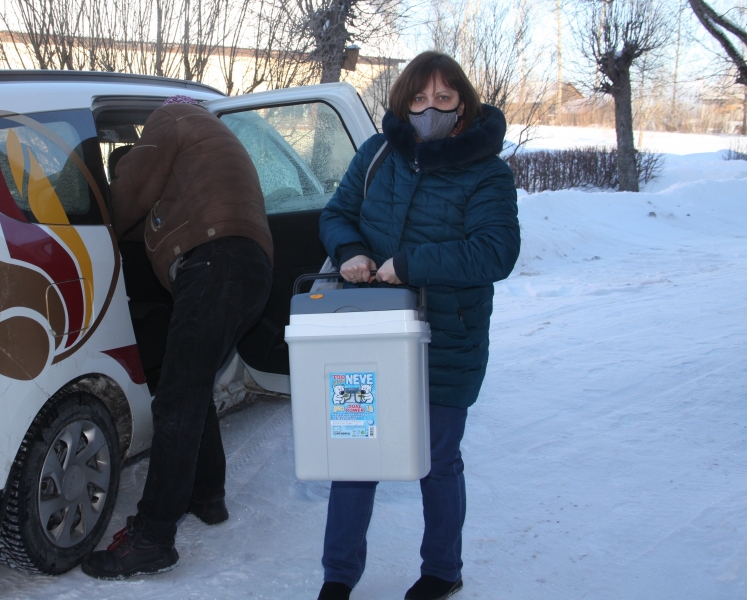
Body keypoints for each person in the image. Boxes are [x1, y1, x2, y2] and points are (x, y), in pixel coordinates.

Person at [315, 52, 521, 600]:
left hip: (446, 339)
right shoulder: (378, 154)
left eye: (444, 99)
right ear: (403, 102)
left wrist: (409, 263)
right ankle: (337, 578)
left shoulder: (488, 172)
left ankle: (441, 571)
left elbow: (496, 251)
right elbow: (335, 214)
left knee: (436, 460)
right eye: (419, 99)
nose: (429, 110)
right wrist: (352, 249)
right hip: (370, 334)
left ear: (463, 107)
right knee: (354, 454)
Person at [81, 95, 274, 580]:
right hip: (249, 269)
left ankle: (152, 538)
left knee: (176, 401)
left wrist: (99, 221)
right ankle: (207, 496)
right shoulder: (210, 138)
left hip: (215, 264)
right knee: (191, 386)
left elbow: (129, 192)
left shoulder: (170, 118)